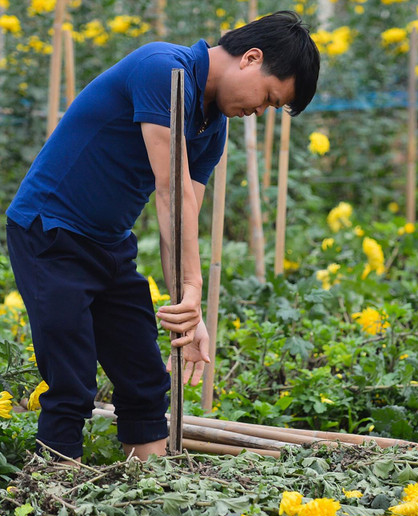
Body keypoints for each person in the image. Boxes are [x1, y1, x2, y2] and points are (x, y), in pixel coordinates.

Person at [4, 11, 320, 462]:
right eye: (269, 97)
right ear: (251, 58)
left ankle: (149, 491)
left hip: (109, 245)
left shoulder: (213, 126)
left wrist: (188, 315)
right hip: (50, 235)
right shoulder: (164, 70)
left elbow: (182, 219)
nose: (260, 111)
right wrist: (191, 288)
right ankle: (53, 503)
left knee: (146, 380)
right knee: (72, 382)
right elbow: (169, 190)